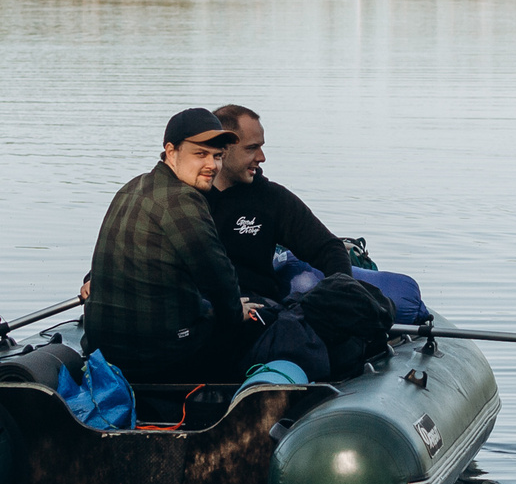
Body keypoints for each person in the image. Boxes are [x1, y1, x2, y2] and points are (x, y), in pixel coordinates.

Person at [82, 108, 266, 382]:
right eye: (200, 154)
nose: (212, 166)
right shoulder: (182, 199)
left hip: (101, 350)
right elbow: (217, 276)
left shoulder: (132, 187)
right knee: (262, 320)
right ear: (171, 151)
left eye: (217, 156)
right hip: (159, 358)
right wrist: (235, 311)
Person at [205, 103, 354, 301]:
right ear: (222, 149)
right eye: (251, 148)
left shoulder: (271, 198)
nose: (262, 157)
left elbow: (328, 248)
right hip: (201, 311)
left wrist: (344, 294)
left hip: (257, 309)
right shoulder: (186, 197)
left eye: (261, 147)